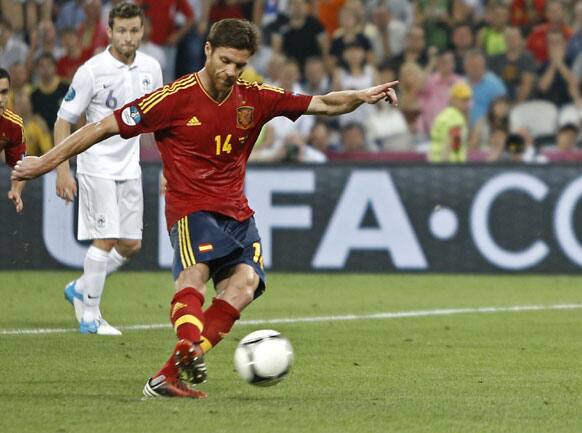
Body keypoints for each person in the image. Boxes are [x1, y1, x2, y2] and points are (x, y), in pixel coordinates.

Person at [12, 18, 399, 399]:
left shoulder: (255, 98)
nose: (231, 72)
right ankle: (187, 344)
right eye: (226, 61)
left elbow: (324, 103)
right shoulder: (172, 99)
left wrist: (362, 94)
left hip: (238, 213)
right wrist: (45, 164)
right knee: (195, 274)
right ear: (208, 50)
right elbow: (99, 127)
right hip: (191, 208)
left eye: (240, 65)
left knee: (245, 286)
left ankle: (168, 375)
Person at [53, 2, 163, 336]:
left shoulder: (152, 68)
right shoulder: (91, 71)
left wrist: (169, 167)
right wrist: (62, 169)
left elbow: (160, 120)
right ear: (109, 32)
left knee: (131, 245)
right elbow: (63, 121)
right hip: (95, 164)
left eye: (134, 30)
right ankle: (90, 316)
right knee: (106, 238)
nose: (128, 37)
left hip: (130, 166)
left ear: (142, 31)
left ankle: (81, 286)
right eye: (122, 31)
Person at [0, 68, 26, 213]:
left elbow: (20, 167)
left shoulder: (13, 125)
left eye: (4, 92)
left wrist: (16, 189)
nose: (0, 99)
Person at [429, 81, 472, 163]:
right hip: (451, 165)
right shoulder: (456, 118)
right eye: (463, 100)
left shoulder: (443, 115)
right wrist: (446, 168)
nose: (467, 104)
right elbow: (452, 143)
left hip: (435, 162)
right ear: (453, 99)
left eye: (468, 100)